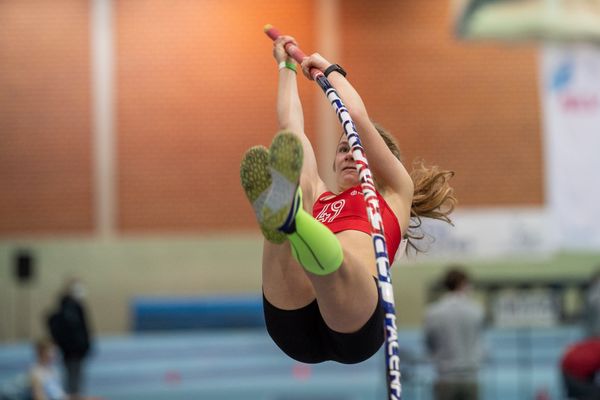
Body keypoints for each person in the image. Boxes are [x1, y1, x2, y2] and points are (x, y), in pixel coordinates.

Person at [239, 34, 456, 364]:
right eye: (343, 149)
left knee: (332, 256)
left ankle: (289, 221)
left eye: (358, 149)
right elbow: (290, 125)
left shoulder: (395, 192)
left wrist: (332, 71)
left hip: (357, 323)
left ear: (381, 162)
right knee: (294, 164)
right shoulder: (319, 194)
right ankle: (283, 218)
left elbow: (356, 117)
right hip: (292, 322)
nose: (349, 155)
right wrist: (285, 66)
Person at [424, 267, 484, 400]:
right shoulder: (476, 311)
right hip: (470, 378)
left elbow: (429, 343)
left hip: (445, 377)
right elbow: (479, 341)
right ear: (464, 284)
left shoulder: (433, 312)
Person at [46, 279, 92, 399]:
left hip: (78, 350)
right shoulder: (67, 309)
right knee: (72, 381)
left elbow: (84, 329)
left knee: (76, 380)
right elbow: (71, 332)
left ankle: (73, 395)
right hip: (72, 351)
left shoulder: (77, 307)